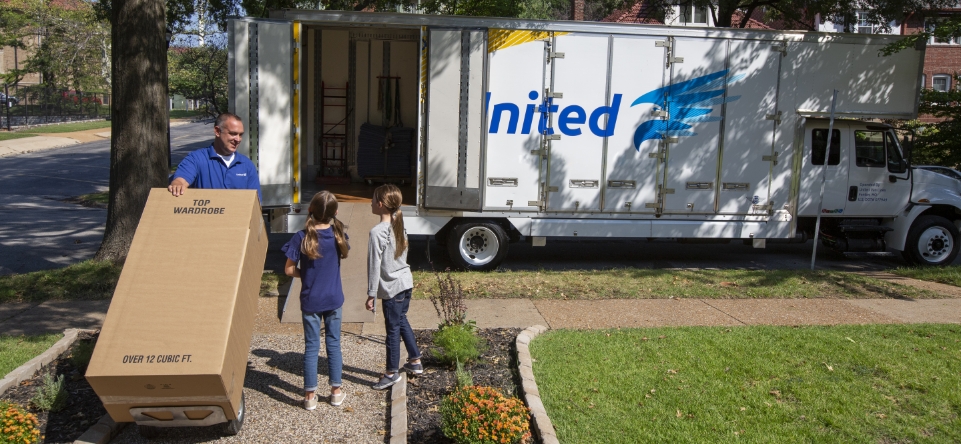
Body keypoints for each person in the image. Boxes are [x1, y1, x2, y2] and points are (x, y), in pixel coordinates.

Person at [282, 191, 350, 409]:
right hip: (334, 299)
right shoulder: (339, 235)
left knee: (311, 346)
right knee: (334, 344)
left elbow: (289, 269)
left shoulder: (301, 237)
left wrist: (307, 275)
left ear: (310, 210)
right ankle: (336, 392)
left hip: (310, 300)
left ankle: (310, 396)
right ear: (335, 213)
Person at [366, 184, 422, 390]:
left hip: (392, 288)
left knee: (392, 330)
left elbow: (374, 266)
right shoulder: (400, 224)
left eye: (372, 200)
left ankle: (391, 373)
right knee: (401, 320)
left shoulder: (377, 232)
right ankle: (415, 360)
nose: (370, 203)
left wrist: (371, 294)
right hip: (406, 283)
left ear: (380, 205)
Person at [167, 113, 262, 200]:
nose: (238, 139)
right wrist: (177, 185)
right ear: (217, 131)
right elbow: (180, 180)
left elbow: (256, 204)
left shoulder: (246, 165)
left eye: (240, 135)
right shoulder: (196, 159)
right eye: (233, 134)